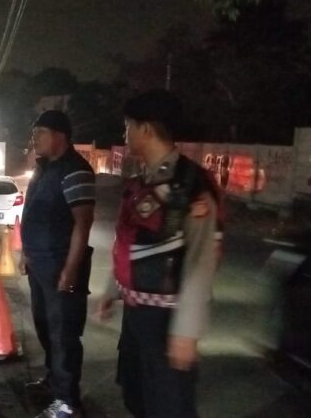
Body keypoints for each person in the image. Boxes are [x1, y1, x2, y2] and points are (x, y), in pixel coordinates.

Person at [97, 90, 222, 418]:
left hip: (167, 320)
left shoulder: (190, 184)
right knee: (136, 396)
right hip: (136, 315)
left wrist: (186, 331)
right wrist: (113, 288)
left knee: (169, 405)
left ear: (146, 129)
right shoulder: (141, 182)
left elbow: (201, 260)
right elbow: (130, 241)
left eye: (128, 126)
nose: (125, 134)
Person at [19, 109, 96, 418]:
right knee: (45, 327)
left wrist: (70, 270)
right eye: (33, 134)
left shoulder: (75, 170)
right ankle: (54, 382)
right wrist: (26, 253)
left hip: (61, 266)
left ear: (60, 136)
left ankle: (68, 403)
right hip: (39, 265)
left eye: (40, 133)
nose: (34, 139)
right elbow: (33, 214)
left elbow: (83, 223)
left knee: (64, 335)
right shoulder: (44, 169)